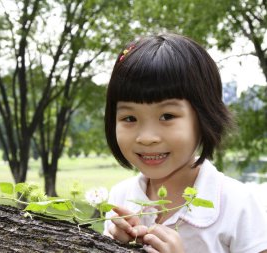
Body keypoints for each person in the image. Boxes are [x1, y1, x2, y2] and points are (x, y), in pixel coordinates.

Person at [103, 33, 267, 253]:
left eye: (167, 116)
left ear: (204, 116)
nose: (147, 137)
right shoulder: (120, 199)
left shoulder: (238, 205)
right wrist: (116, 246)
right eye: (129, 118)